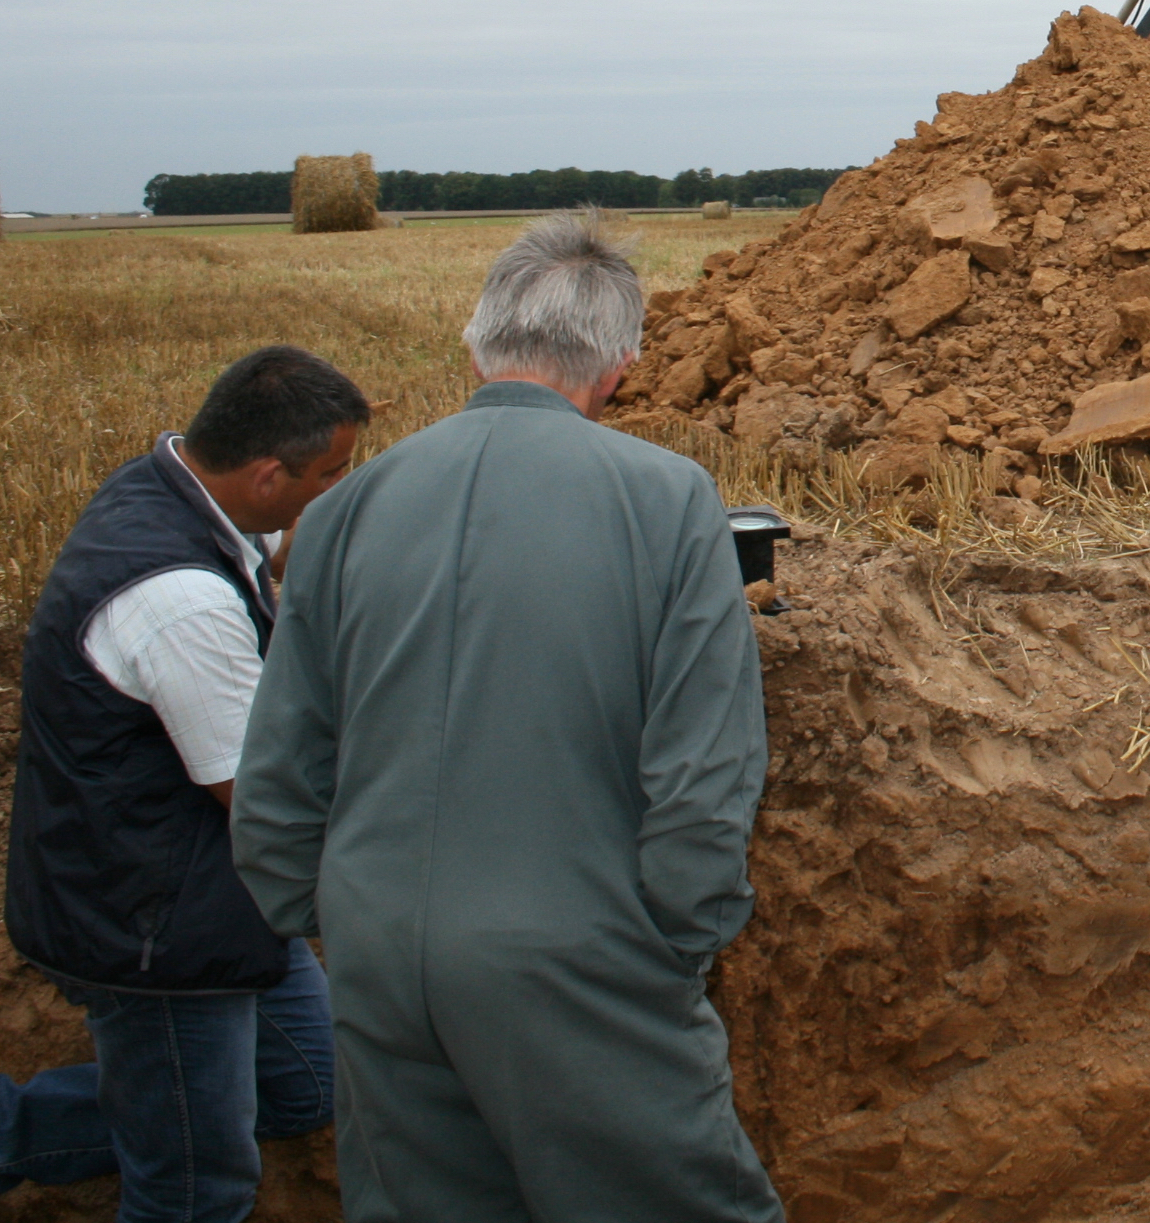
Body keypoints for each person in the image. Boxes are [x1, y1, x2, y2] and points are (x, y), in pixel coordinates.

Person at [230, 212, 783, 1223]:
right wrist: (678, 938)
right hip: (583, 958)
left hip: (380, 954)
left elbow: (275, 772)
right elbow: (704, 769)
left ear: (474, 342)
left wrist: (335, 913)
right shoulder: (666, 500)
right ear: (619, 365)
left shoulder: (344, 512)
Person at [6, 345, 366, 1222]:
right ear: (267, 472)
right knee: (199, 1187)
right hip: (158, 932)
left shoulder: (173, 484)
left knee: (306, 1083)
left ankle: (86, 1121)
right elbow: (268, 802)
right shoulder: (179, 599)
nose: (340, 491)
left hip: (208, 894)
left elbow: (275, 541)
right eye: (332, 474)